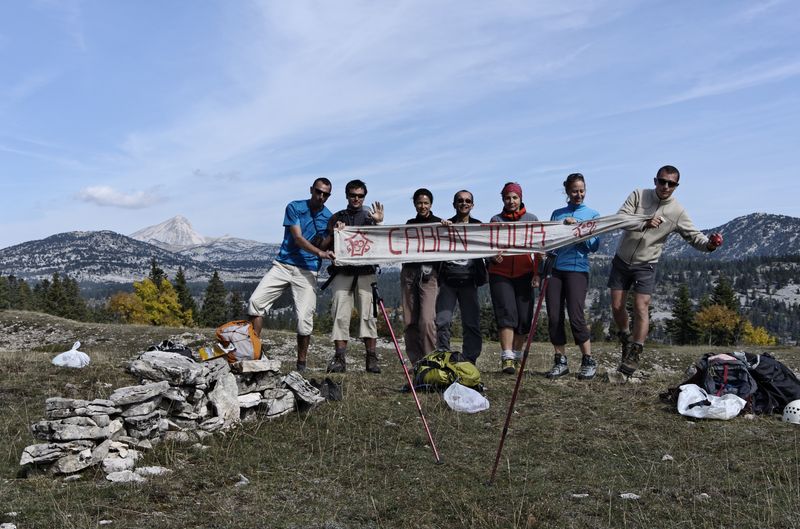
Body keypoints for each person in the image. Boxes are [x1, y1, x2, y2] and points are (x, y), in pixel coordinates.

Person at [609, 165, 722, 376]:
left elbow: (694, 236)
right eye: (662, 181)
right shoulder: (638, 195)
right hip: (621, 260)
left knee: (641, 306)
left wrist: (709, 245)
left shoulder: (677, 211)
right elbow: (621, 219)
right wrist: (644, 223)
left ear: (677, 186)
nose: (666, 186)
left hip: (647, 264)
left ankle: (635, 352)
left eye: (671, 183)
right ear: (655, 181)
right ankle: (625, 338)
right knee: (616, 307)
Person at [247, 178, 335, 371]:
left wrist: (333, 233)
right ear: (311, 190)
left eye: (326, 194)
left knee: (304, 320)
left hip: (308, 268)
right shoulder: (294, 207)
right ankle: (253, 352)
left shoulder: (328, 217)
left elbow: (323, 243)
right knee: (255, 302)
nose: (321, 197)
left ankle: (301, 365)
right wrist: (320, 253)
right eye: (318, 192)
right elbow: (298, 238)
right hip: (283, 264)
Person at [325, 179, 385, 374]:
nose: (356, 199)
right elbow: (326, 245)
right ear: (347, 196)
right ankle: (339, 358)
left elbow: (381, 242)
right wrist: (336, 233)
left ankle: (371, 358)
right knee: (339, 314)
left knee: (368, 315)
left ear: (364, 197)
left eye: (360, 196)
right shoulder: (337, 218)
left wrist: (378, 223)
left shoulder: (370, 218)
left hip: (366, 272)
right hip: (343, 272)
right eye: (353, 195)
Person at [544, 173, 600, 380]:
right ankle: (560, 361)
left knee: (576, 315)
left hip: (577, 269)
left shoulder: (593, 214)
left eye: (582, 190)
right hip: (555, 270)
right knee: (554, 315)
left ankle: (588, 360)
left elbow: (594, 246)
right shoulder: (557, 213)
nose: (579, 194)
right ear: (567, 191)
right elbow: (550, 241)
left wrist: (577, 229)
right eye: (575, 191)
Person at [488, 182, 541, 375]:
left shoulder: (531, 219)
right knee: (506, 314)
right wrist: (492, 257)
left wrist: (537, 273)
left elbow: (539, 248)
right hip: (500, 274)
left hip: (525, 273)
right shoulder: (496, 220)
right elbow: (488, 245)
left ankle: (517, 356)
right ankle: (507, 357)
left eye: (514, 197)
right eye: (507, 198)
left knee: (524, 318)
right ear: (503, 200)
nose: (511, 201)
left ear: (521, 198)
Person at [434, 190, 487, 364]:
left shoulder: (479, 226)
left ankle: (470, 359)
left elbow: (489, 247)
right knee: (443, 321)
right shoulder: (445, 226)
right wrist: (442, 229)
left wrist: (495, 257)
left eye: (467, 201)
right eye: (460, 200)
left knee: (471, 322)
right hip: (448, 281)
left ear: (472, 205)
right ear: (454, 204)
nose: (464, 203)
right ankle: (443, 356)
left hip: (469, 281)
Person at [401, 188, 442, 365]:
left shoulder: (439, 223)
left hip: (429, 275)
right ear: (414, 204)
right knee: (410, 321)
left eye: (426, 203)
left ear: (431, 204)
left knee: (426, 320)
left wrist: (446, 228)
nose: (423, 206)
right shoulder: (409, 224)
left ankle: (430, 360)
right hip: (410, 273)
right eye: (419, 203)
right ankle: (416, 362)